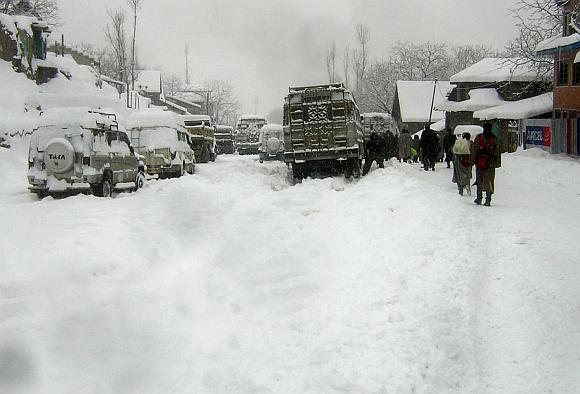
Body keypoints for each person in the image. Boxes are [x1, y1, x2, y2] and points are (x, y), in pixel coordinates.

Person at [471, 122, 501, 206]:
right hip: (490, 163)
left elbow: (474, 150)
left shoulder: (479, 137)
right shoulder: (494, 139)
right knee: (490, 181)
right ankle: (488, 199)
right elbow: (497, 151)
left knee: (479, 180)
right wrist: (496, 162)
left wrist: (472, 161)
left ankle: (479, 198)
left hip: (480, 162)